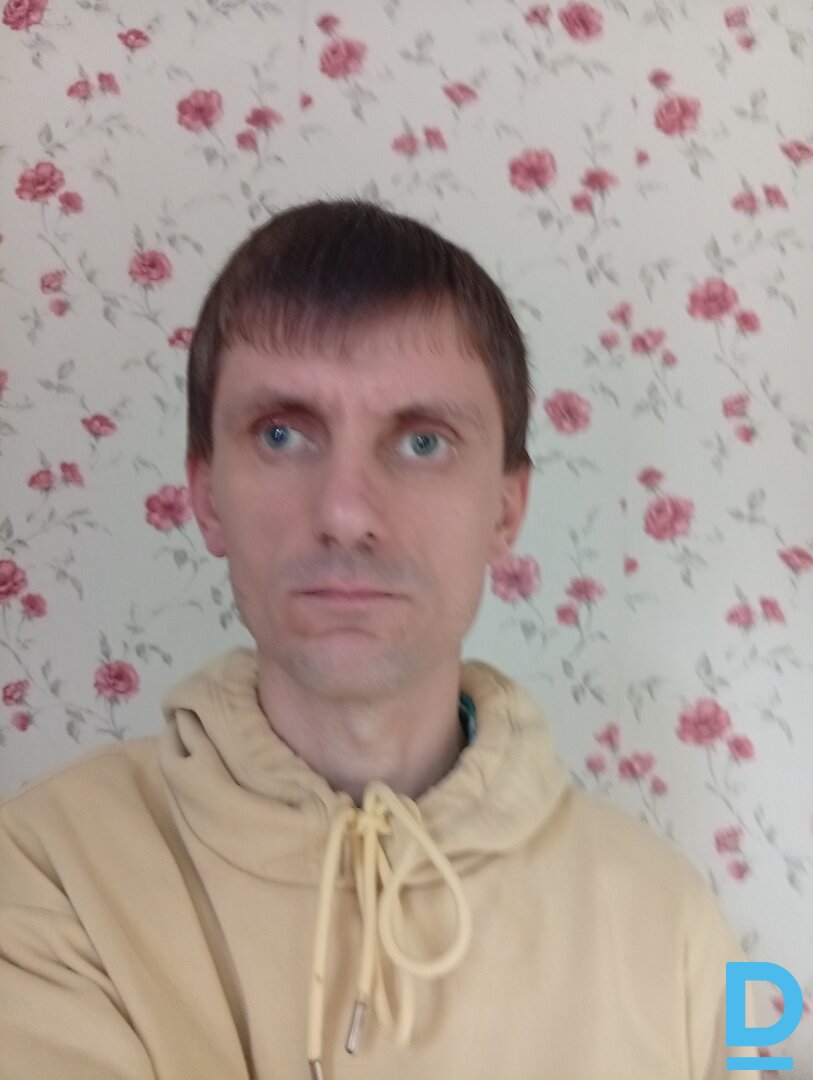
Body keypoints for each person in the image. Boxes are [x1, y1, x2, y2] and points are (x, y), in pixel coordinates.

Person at [0, 199, 758, 1079]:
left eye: (423, 442)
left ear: (505, 508)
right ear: (205, 496)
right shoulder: (48, 873)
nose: (345, 512)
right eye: (282, 434)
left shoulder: (675, 928)